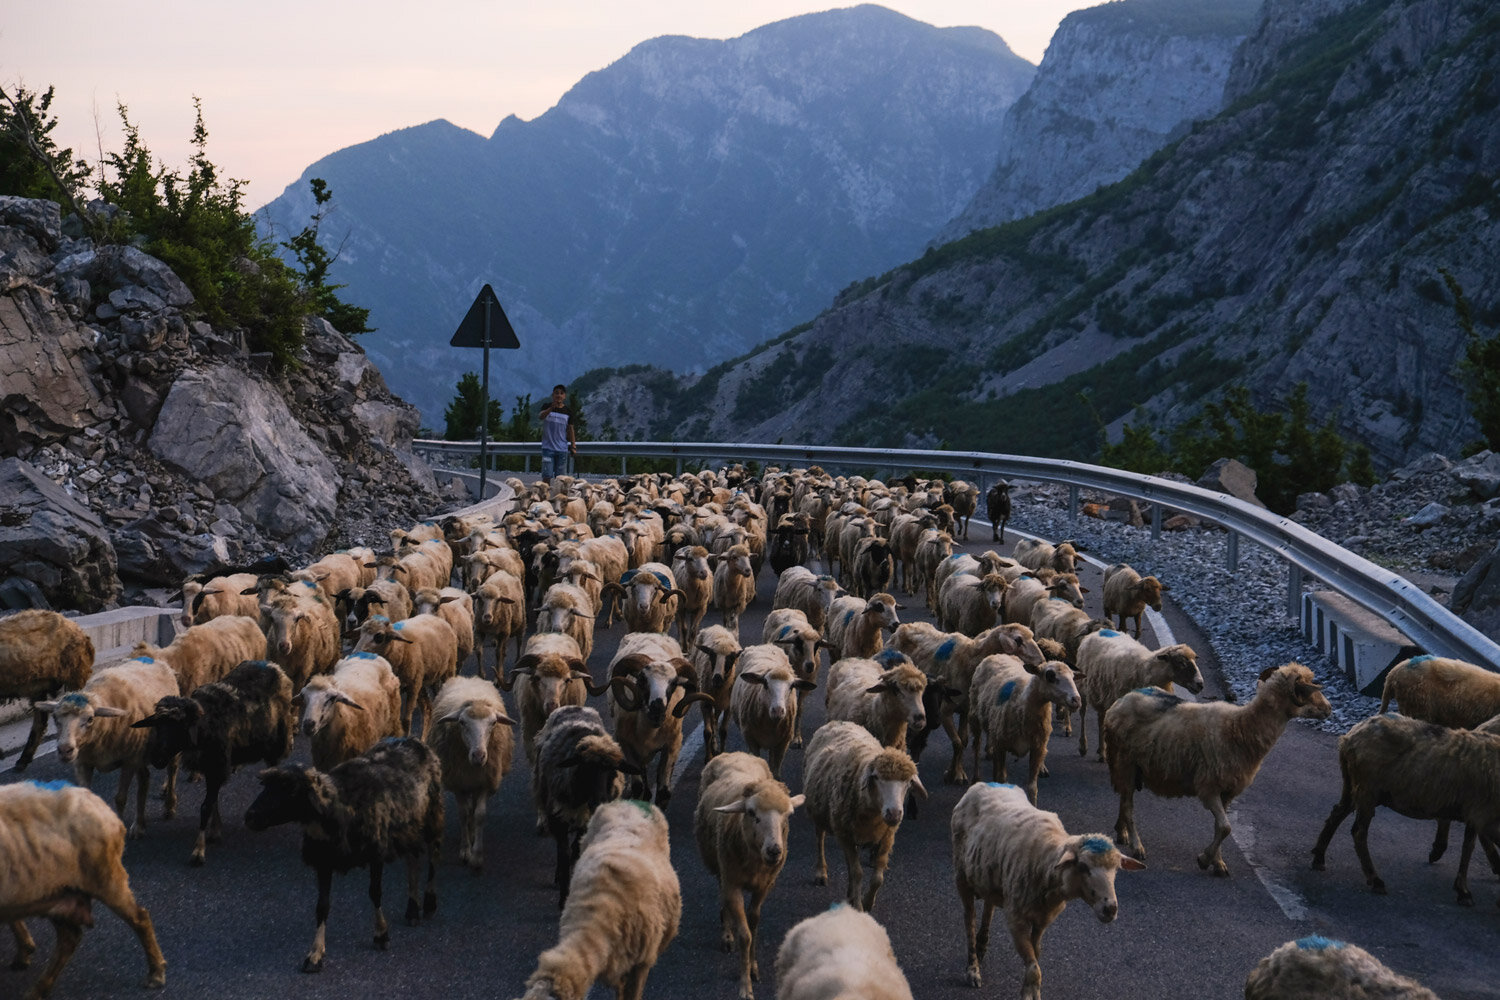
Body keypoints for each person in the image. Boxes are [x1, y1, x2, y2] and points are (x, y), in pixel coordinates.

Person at [539, 383, 577, 484]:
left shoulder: (568, 412)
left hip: (562, 449)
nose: (558, 395)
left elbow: (571, 429)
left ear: (564, 396)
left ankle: (558, 497)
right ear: (552, 395)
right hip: (548, 448)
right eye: (556, 393)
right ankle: (545, 497)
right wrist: (551, 408)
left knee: (560, 478)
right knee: (547, 476)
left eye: (561, 393)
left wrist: (573, 446)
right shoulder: (546, 406)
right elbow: (541, 417)